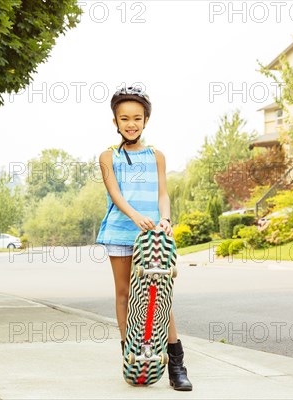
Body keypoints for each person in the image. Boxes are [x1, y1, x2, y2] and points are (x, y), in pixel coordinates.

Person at [96, 86, 192, 391]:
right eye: (124, 118)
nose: (131, 123)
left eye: (137, 117)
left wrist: (165, 219)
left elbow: (163, 193)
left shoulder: (157, 156)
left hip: (153, 237)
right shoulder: (107, 157)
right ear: (115, 121)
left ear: (146, 120)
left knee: (159, 293)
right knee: (125, 293)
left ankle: (176, 364)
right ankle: (132, 356)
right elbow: (116, 195)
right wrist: (135, 216)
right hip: (121, 232)